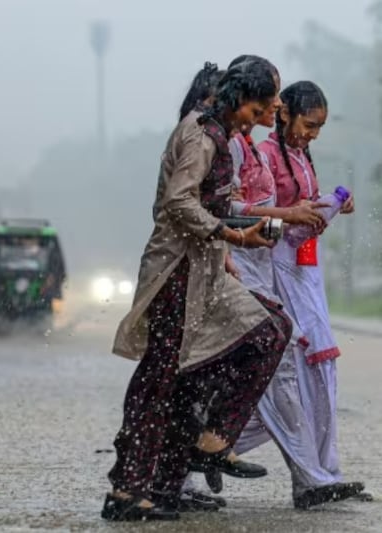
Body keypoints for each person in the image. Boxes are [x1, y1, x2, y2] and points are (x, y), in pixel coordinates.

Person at [102, 59, 291, 522]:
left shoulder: (222, 135)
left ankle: (205, 448)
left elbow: (212, 203)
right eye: (258, 106)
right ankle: (129, 489)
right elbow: (177, 201)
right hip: (176, 274)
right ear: (236, 99)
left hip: (205, 270)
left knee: (267, 331)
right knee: (161, 378)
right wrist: (232, 237)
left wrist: (232, 239)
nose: (261, 115)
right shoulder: (202, 134)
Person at [256, 81, 368, 507]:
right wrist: (291, 218)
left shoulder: (301, 156)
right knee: (288, 378)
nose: (313, 134)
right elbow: (252, 221)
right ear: (283, 113)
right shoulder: (263, 158)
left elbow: (301, 213)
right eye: (309, 124)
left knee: (320, 374)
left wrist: (327, 205)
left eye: (319, 127)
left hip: (306, 272)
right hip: (275, 271)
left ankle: (324, 472)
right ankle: (312, 476)